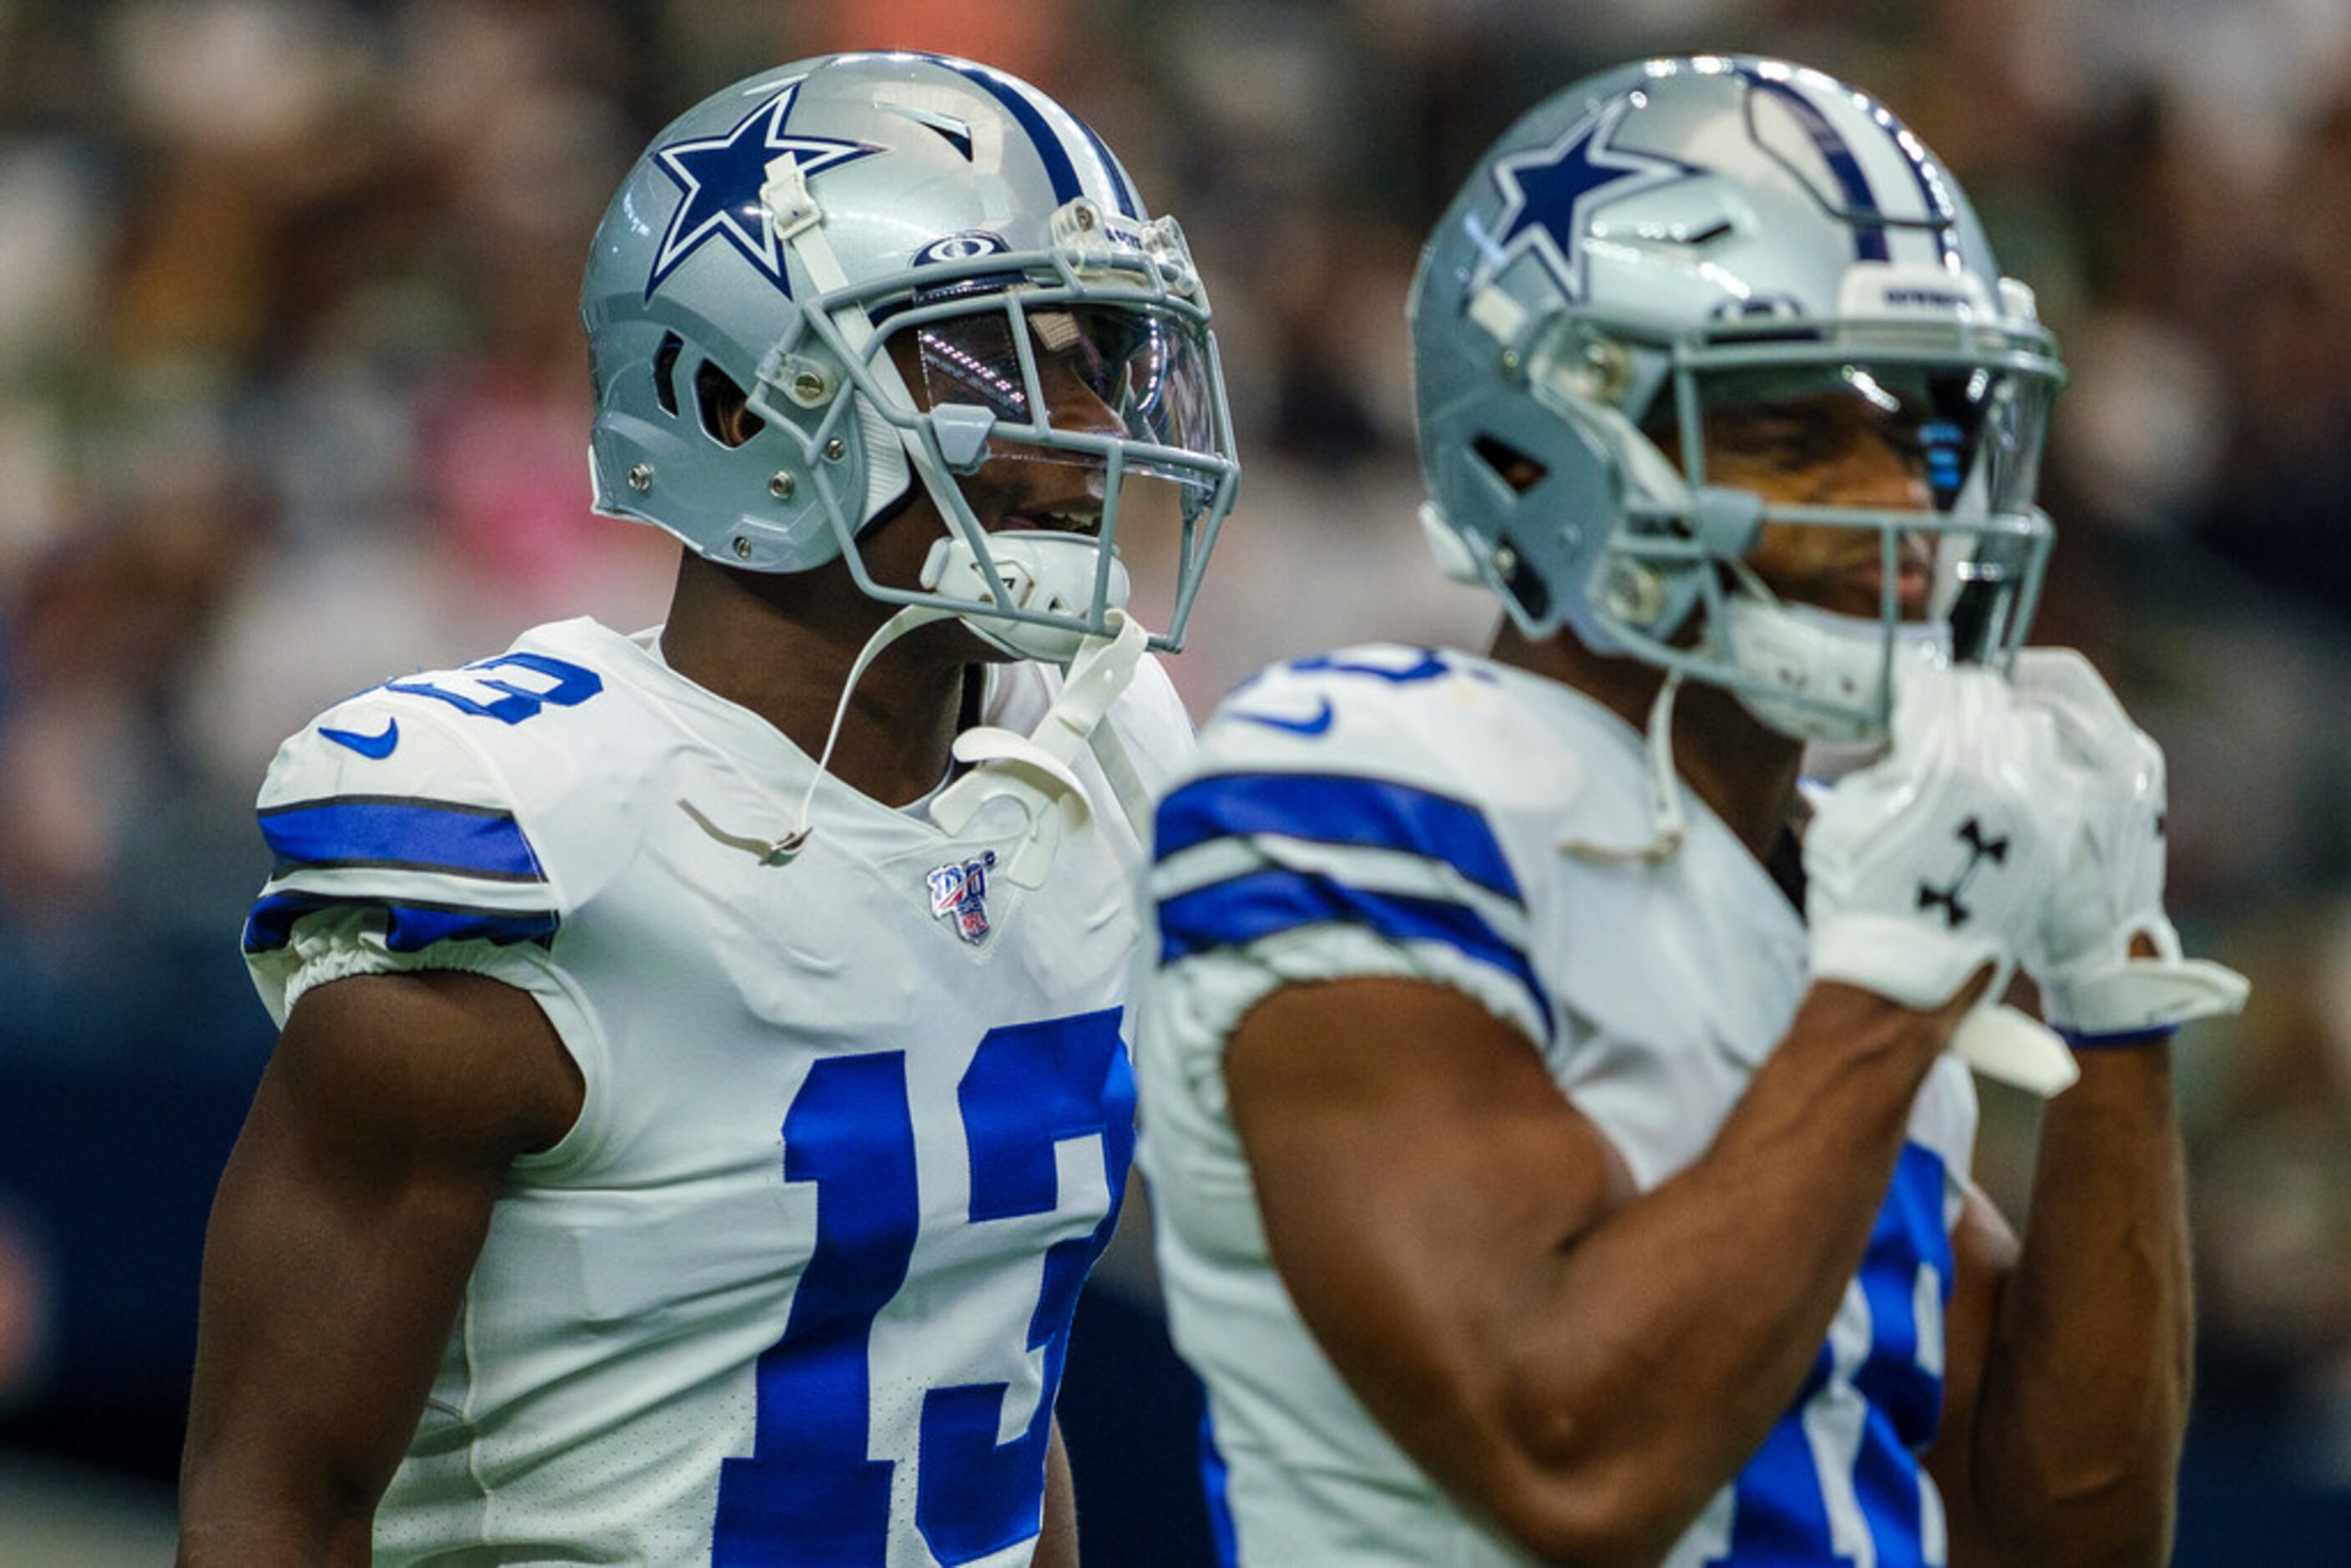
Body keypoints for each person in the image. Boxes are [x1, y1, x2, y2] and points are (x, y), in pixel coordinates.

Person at [1134, 54, 2247, 1566]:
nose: (1903, 509)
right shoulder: (1365, 786)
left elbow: (2067, 1540)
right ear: (1541, 449)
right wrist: (1890, 986)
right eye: (1796, 431)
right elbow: (1568, 1458)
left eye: (1924, 433)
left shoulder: (1829, 889)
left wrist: (2118, 1009)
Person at [176, 51, 1239, 1566]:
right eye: (995, 365)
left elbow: (976, 1356)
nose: (1081, 438)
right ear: (740, 401)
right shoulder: (536, 851)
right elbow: (273, 1504)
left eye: (1097, 360)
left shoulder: (1095, 766)